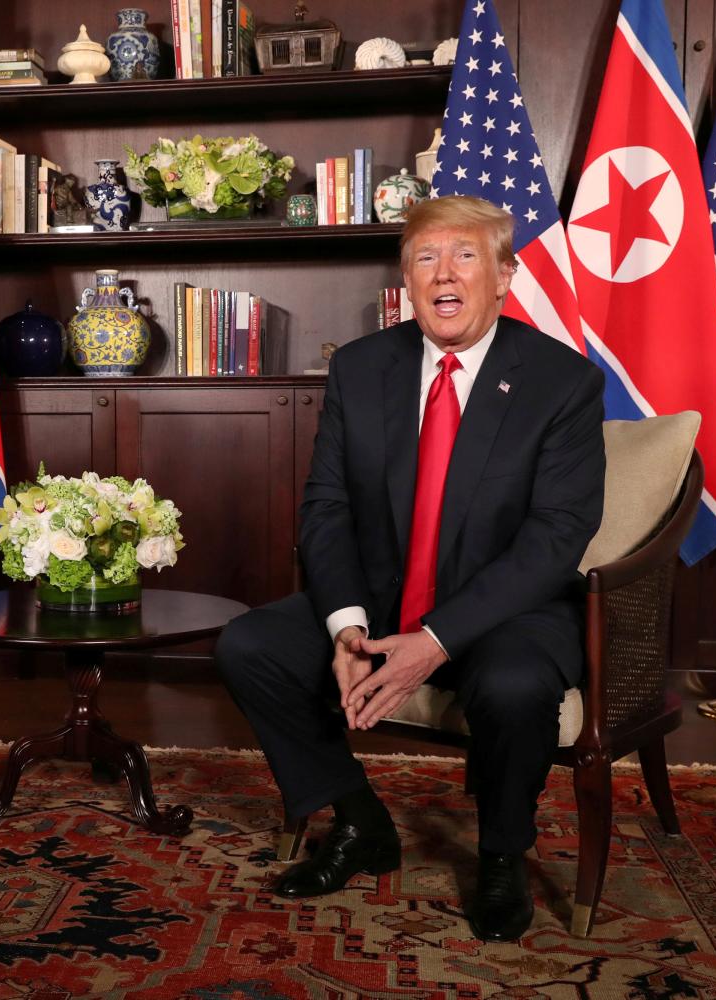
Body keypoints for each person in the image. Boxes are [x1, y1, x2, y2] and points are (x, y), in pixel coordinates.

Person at [216, 195, 605, 941]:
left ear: (505, 277)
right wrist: (347, 625)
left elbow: (557, 536)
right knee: (250, 646)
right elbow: (325, 505)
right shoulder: (363, 368)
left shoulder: (562, 382)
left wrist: (437, 638)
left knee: (515, 683)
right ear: (406, 280)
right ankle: (360, 821)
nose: (444, 273)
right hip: (384, 599)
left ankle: (501, 856)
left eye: (465, 256)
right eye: (425, 258)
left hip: (508, 612)